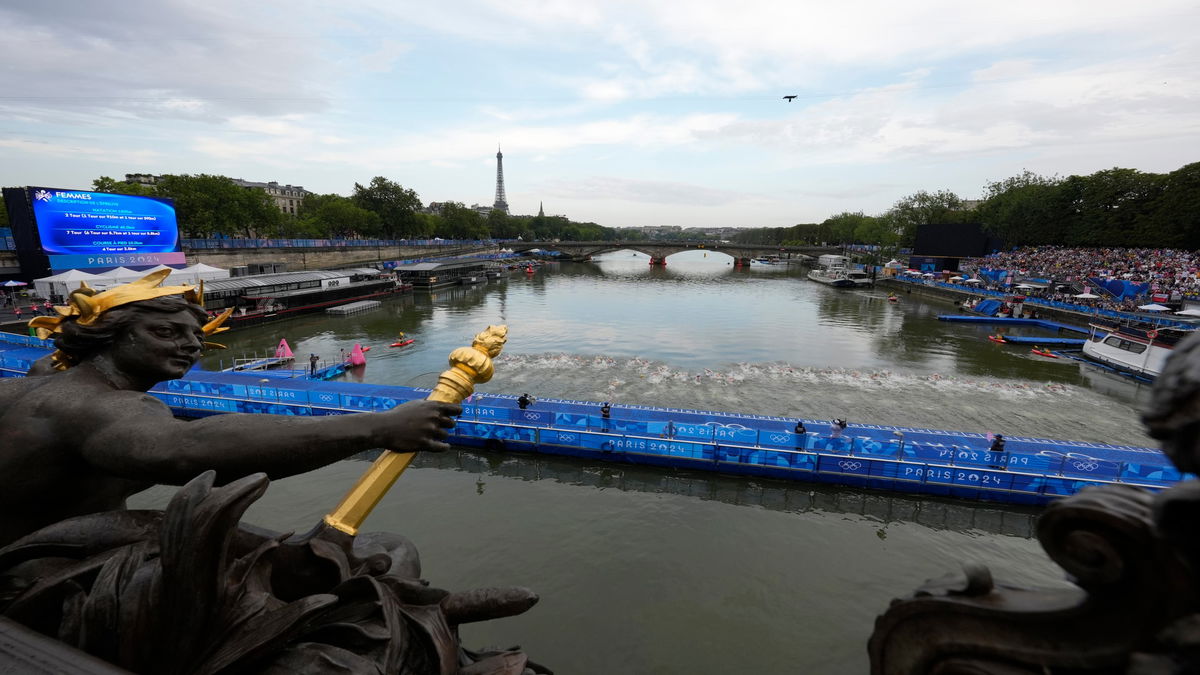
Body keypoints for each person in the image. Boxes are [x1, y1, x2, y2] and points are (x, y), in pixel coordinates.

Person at [0, 270, 460, 547]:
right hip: (37, 577)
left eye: (197, 338)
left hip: (43, 548)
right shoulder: (96, 406)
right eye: (167, 333)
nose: (190, 347)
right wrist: (379, 428)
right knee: (383, 555)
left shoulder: (38, 387)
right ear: (109, 335)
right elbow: (187, 448)